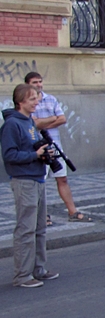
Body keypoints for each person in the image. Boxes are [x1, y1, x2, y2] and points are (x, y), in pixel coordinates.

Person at [2, 83, 58, 288]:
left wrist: (44, 154)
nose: (37, 102)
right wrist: (35, 155)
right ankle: (22, 275)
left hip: (38, 176)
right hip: (24, 179)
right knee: (26, 228)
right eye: (32, 99)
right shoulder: (12, 124)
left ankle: (38, 268)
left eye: (37, 98)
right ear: (20, 101)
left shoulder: (30, 122)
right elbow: (9, 155)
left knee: (40, 227)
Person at [25, 72, 91, 223]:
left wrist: (43, 124)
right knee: (39, 183)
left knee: (62, 179)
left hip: (55, 146)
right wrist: (52, 119)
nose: (39, 85)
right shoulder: (27, 102)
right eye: (35, 82)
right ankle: (42, 215)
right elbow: (33, 124)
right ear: (28, 84)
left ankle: (72, 212)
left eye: (40, 81)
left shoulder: (51, 99)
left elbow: (62, 119)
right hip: (38, 148)